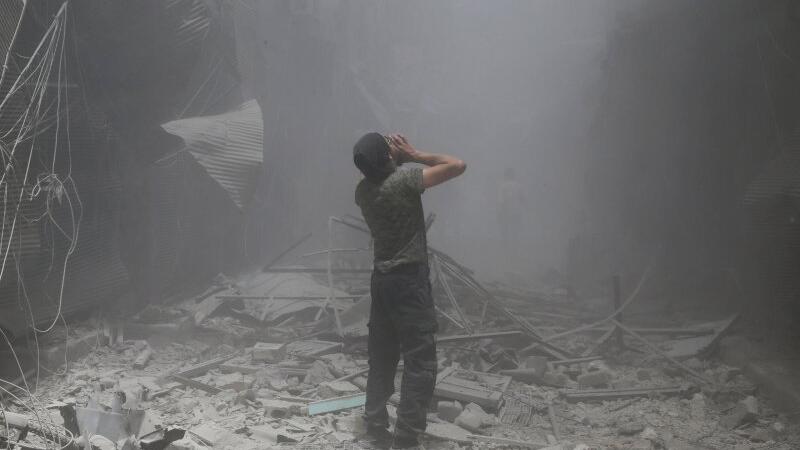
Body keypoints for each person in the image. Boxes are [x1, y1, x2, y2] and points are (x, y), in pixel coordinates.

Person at [353, 132, 466, 448]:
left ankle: (375, 423)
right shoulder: (403, 182)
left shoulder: (362, 191)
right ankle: (405, 436)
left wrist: (391, 158)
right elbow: (457, 165)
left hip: (382, 282)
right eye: (389, 149)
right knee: (420, 361)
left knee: (382, 357)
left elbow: (378, 171)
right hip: (408, 282)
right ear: (386, 158)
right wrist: (412, 154)